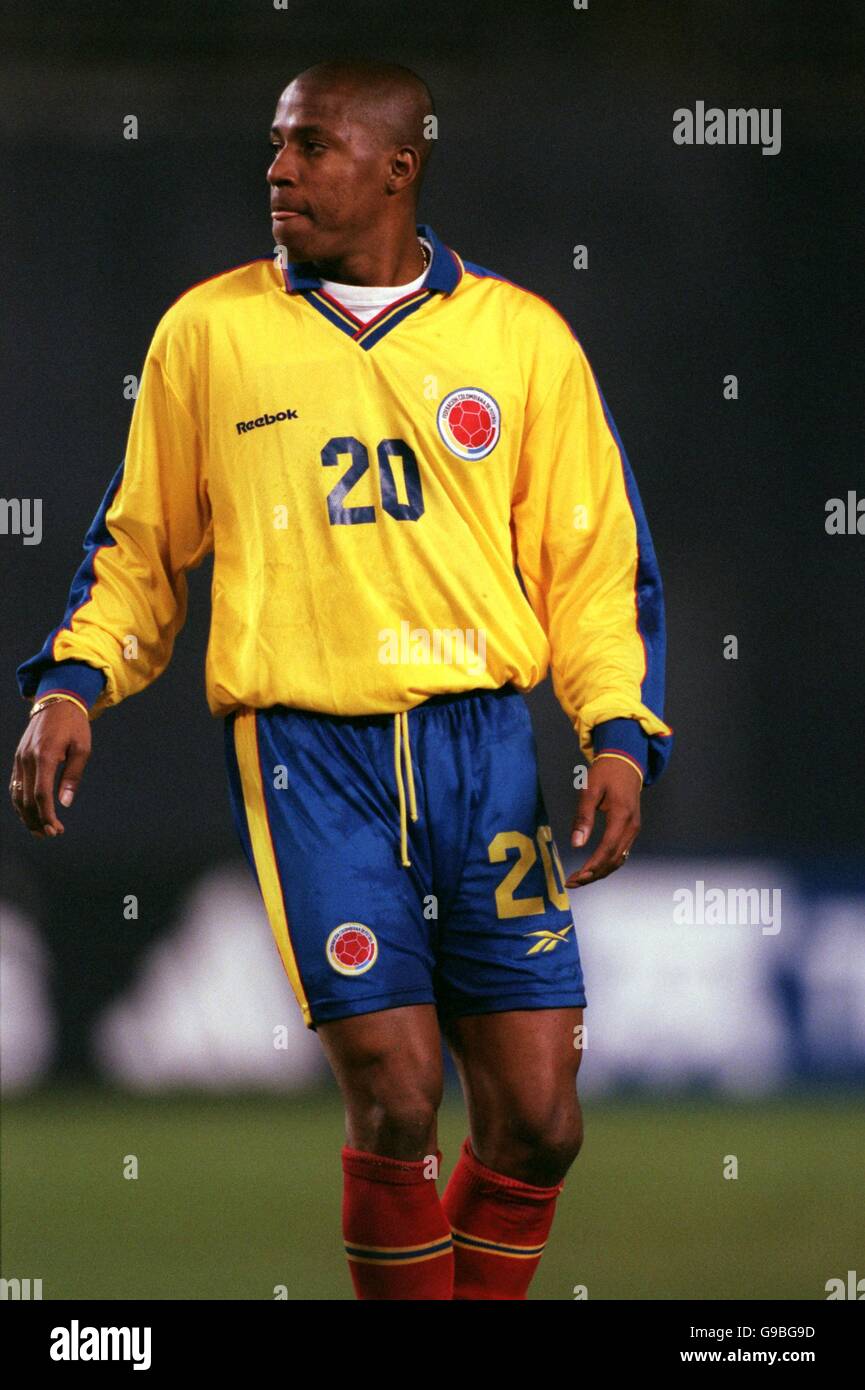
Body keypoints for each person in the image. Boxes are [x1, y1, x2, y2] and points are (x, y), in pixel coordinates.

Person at [11, 59, 673, 1300]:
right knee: (398, 1094)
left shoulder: (520, 339)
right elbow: (139, 547)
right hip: (312, 755)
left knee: (539, 1118)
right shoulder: (209, 331)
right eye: (274, 144)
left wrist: (618, 734)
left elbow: (593, 569)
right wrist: (73, 683)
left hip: (483, 753)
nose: (277, 169)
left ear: (397, 166)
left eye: (310, 146)